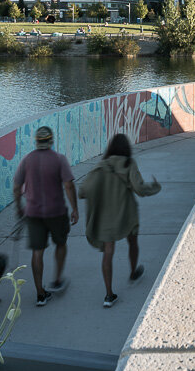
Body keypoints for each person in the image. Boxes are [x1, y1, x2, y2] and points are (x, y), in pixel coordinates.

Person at [79, 133, 161, 308]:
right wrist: (155, 187)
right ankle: (133, 272)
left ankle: (109, 295)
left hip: (106, 218)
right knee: (133, 242)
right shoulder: (129, 164)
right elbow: (139, 189)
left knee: (108, 252)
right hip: (127, 214)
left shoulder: (101, 166)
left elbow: (83, 191)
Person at [12, 125, 78, 306]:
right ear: (51, 141)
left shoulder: (26, 160)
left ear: (36, 141)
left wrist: (19, 207)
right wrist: (75, 208)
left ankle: (40, 293)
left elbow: (17, 187)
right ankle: (57, 280)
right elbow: (68, 185)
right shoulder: (59, 159)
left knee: (37, 251)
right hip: (56, 212)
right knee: (61, 244)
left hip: (33, 213)